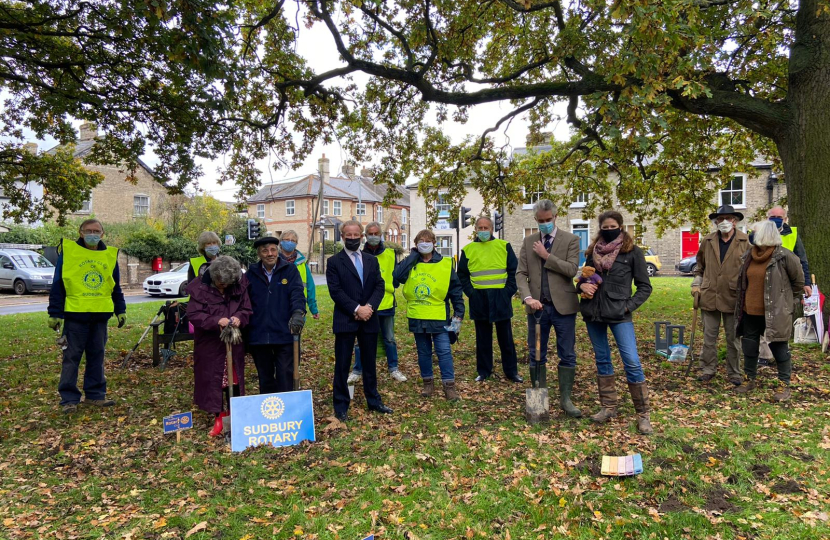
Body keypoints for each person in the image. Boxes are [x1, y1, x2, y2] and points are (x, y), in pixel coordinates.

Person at [577, 211, 653, 434]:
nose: (609, 230)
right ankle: (608, 406)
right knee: (602, 359)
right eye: (605, 227)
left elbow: (645, 287)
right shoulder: (592, 253)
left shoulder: (632, 253)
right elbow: (585, 279)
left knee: (631, 360)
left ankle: (643, 414)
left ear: (620, 227)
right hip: (594, 314)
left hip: (620, 314)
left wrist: (627, 306)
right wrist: (580, 286)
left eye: (613, 226)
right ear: (600, 228)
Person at [48, 219, 127, 415]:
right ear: (81, 232)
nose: (93, 234)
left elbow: (114, 285)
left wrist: (120, 309)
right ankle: (69, 399)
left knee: (97, 356)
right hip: (75, 315)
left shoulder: (109, 255)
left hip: (100, 316)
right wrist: (54, 313)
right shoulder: (70, 253)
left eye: (96, 231)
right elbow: (58, 283)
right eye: (88, 230)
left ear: (103, 233)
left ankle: (95, 395)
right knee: (71, 358)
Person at [516, 199, 582, 417]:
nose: (544, 224)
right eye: (540, 220)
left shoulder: (571, 240)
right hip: (537, 310)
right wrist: (527, 297)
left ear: (555, 217)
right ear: (535, 220)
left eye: (548, 220)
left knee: (567, 354)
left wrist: (547, 256)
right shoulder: (528, 242)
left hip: (563, 308)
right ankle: (538, 403)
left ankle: (566, 400)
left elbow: (572, 269)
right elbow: (520, 274)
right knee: (536, 353)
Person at [326, 220, 393, 421]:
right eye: (349, 235)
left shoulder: (371, 260)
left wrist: (369, 308)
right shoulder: (334, 262)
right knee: (343, 364)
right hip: (346, 318)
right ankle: (340, 405)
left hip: (369, 318)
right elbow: (335, 291)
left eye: (357, 235)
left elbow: (380, 286)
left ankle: (373, 400)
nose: (353, 238)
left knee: (369, 362)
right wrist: (356, 309)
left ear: (361, 236)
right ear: (342, 236)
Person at [734, 220, 804, 402]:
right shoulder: (749, 255)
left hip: (775, 312)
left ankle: (784, 384)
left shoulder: (785, 256)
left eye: (755, 232)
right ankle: (749, 379)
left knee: (779, 347)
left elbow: (798, 283)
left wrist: (787, 303)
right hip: (750, 310)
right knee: (749, 346)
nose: (752, 235)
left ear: (765, 235)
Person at [394, 229, 465, 401]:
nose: (424, 243)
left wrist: (459, 314)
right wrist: (412, 256)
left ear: (434, 243)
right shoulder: (411, 263)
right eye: (420, 241)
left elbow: (455, 290)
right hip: (418, 316)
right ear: (415, 244)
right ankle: (428, 384)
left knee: (444, 351)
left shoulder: (445, 264)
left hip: (439, 316)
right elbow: (396, 277)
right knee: (423, 352)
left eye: (428, 240)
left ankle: (449, 386)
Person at [186, 256, 252, 436]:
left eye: (227, 284)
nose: (223, 287)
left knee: (235, 379)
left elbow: (247, 309)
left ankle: (234, 416)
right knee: (213, 381)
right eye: (220, 284)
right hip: (210, 345)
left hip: (234, 344)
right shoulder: (199, 287)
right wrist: (216, 321)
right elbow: (194, 314)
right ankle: (219, 417)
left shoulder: (238, 285)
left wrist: (240, 317)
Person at [690, 204, 751, 385]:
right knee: (709, 337)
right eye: (721, 219)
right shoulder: (707, 241)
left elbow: (750, 270)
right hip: (710, 296)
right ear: (716, 221)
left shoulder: (745, 241)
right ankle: (708, 369)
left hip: (734, 297)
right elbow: (699, 268)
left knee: (733, 339)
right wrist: (696, 284)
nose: (725, 222)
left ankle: (734, 373)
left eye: (729, 218)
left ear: (735, 221)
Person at [458, 216, 522, 383]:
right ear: (476, 230)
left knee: (506, 338)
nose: (483, 231)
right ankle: (484, 371)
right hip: (479, 299)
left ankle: (511, 372)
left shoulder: (503, 246)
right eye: (480, 228)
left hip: (500, 298)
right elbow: (462, 275)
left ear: (492, 229)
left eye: (486, 228)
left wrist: (508, 292)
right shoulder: (468, 249)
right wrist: (471, 293)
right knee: (483, 339)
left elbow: (514, 271)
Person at [347, 222, 406, 384]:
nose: (373, 236)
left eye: (376, 233)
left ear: (381, 235)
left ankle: (393, 368)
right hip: (365, 306)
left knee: (389, 339)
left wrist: (385, 286)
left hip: (386, 304)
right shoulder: (358, 254)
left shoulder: (390, 254)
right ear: (365, 236)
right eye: (370, 233)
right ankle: (358, 370)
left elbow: (395, 280)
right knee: (360, 340)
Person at [246, 237, 307, 394]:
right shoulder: (251, 273)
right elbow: (243, 300)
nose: (270, 254)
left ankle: (286, 411)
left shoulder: (289, 270)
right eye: (265, 251)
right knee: (265, 377)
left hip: (284, 332)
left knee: (285, 374)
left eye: (273, 250)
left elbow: (297, 294)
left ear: (278, 251)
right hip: (258, 333)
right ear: (259, 254)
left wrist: (298, 312)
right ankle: (269, 412)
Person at [758, 206, 812, 365]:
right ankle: (765, 355)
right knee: (762, 318)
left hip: (784, 285)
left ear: (785, 219)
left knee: (781, 319)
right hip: (763, 283)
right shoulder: (757, 234)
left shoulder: (793, 235)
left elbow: (802, 261)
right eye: (772, 216)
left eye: (779, 217)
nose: (775, 219)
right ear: (767, 218)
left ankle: (781, 354)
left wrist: (806, 283)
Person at [278, 230, 320, 320]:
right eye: (287, 239)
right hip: (277, 307)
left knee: (295, 332)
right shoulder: (274, 260)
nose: (290, 242)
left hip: (297, 307)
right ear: (281, 242)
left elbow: (310, 286)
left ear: (296, 244)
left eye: (293, 241)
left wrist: (314, 309)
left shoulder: (302, 263)